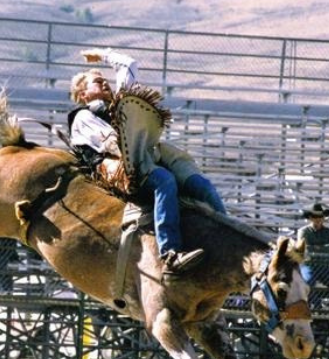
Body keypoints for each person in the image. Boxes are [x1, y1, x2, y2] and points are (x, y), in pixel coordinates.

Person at [68, 48, 225, 274]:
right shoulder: (83, 117)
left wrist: (101, 55)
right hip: (117, 168)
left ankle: (232, 235)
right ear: (83, 95)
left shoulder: (118, 105)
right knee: (164, 180)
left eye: (105, 81)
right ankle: (170, 253)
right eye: (97, 82)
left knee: (201, 185)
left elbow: (128, 65)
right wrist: (133, 142)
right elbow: (112, 144)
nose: (105, 84)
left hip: (146, 158)